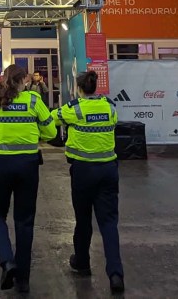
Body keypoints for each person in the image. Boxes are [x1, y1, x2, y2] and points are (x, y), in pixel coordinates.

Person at [0, 65, 56, 294]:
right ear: (24, 80)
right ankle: (23, 280)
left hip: (0, 165)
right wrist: (35, 133)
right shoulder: (34, 100)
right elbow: (51, 132)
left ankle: (7, 260)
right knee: (25, 221)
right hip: (28, 165)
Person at [55, 70, 124, 293]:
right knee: (109, 222)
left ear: (79, 88)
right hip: (108, 170)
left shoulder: (74, 108)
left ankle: (82, 262)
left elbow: (51, 118)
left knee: (83, 219)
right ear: (95, 87)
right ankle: (115, 274)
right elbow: (114, 123)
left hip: (83, 171)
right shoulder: (109, 106)